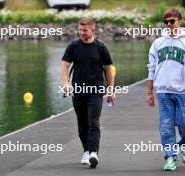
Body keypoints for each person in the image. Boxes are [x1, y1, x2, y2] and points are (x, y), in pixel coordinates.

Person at [147, 8, 185, 171]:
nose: (169, 25)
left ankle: (184, 145)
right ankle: (170, 157)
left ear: (180, 21)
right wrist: (150, 93)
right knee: (166, 125)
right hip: (163, 91)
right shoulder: (158, 43)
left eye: (172, 21)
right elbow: (151, 68)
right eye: (166, 22)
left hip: (183, 91)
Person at [61, 17, 116, 169]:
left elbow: (108, 69)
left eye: (84, 30)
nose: (81, 32)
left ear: (93, 29)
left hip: (96, 91)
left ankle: (93, 153)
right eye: (79, 29)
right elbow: (65, 66)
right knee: (82, 123)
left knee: (94, 121)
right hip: (78, 91)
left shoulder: (100, 47)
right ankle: (86, 150)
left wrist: (111, 89)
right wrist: (66, 83)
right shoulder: (73, 46)